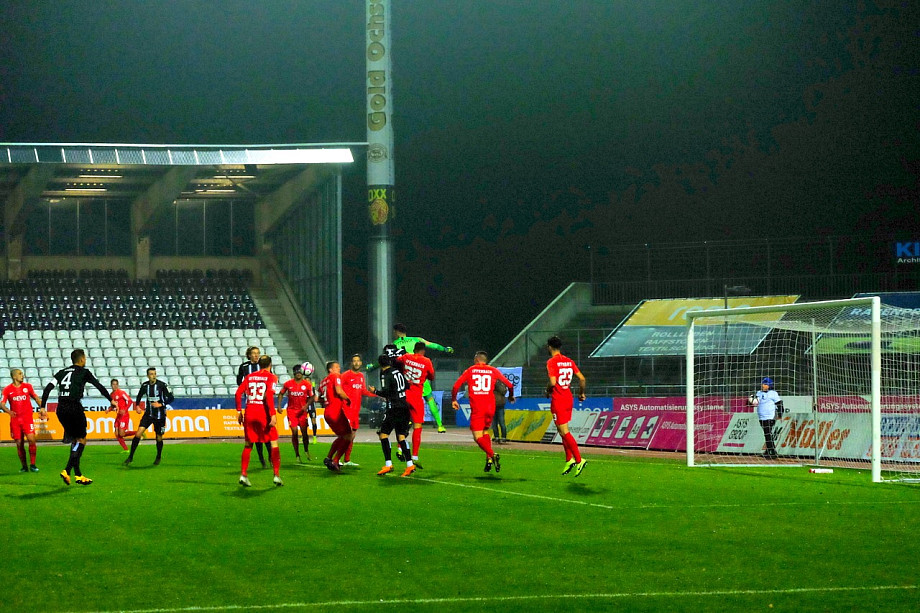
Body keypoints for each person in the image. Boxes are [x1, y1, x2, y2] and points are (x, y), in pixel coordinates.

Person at [41, 349, 117, 486]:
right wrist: (111, 400)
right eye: (85, 358)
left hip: (61, 408)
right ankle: (67, 470)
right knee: (82, 439)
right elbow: (99, 386)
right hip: (74, 407)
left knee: (75, 440)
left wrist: (42, 407)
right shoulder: (84, 372)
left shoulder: (61, 372)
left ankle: (78, 475)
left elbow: (47, 388)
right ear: (82, 359)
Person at [451, 351, 515, 473]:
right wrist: (511, 396)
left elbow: (456, 386)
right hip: (490, 407)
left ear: (476, 359)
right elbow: (510, 385)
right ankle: (489, 459)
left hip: (478, 407)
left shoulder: (470, 370)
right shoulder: (493, 370)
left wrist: (454, 399)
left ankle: (492, 454)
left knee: (477, 437)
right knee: (485, 432)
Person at [235, 355, 282, 486]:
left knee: (248, 445)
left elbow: (238, 393)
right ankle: (276, 475)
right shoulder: (272, 377)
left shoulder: (250, 377)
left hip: (249, 412)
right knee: (274, 442)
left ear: (259, 364)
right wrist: (272, 414)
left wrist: (239, 411)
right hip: (263, 413)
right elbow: (269, 395)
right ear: (270, 365)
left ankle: (243, 474)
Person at [545, 336, 588, 477]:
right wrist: (581, 393)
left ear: (549, 347)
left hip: (559, 399)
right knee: (561, 430)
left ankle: (579, 460)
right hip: (568, 398)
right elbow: (582, 378)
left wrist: (547, 390)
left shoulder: (551, 362)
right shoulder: (569, 361)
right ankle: (569, 459)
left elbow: (553, 382)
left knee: (564, 431)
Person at [372, 354, 415, 477]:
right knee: (401, 437)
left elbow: (386, 392)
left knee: (383, 435)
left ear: (380, 364)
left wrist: (375, 391)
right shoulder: (398, 372)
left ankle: (388, 464)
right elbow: (407, 385)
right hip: (404, 407)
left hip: (394, 408)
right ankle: (410, 465)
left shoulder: (386, 374)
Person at [124, 367, 174, 466]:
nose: (153, 376)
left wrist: (161, 404)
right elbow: (139, 396)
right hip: (149, 414)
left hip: (160, 416)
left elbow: (171, 398)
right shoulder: (145, 385)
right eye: (151, 374)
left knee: (159, 437)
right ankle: (130, 457)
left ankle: (158, 456)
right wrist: (137, 406)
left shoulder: (162, 385)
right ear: (148, 376)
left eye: (154, 374)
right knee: (138, 433)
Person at [397, 342, 436, 469]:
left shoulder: (406, 357)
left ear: (414, 350)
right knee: (417, 426)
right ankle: (415, 456)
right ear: (423, 351)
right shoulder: (426, 361)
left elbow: (396, 362)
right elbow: (432, 376)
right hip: (416, 397)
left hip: (404, 395)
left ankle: (400, 448)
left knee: (403, 423)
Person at [1, 368, 46, 472]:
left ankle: (33, 464)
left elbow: (36, 398)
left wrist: (43, 409)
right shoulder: (7, 389)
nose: (22, 375)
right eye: (20, 374)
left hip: (27, 419)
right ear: (14, 376)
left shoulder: (28, 387)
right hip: (15, 420)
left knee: (32, 439)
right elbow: (2, 404)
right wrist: (8, 411)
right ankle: (24, 466)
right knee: (19, 443)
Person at [340, 353, 376, 467]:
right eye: (354, 361)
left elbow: (363, 391)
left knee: (352, 436)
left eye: (358, 361)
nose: (356, 363)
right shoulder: (345, 375)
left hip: (356, 411)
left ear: (361, 363)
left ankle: (347, 460)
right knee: (346, 435)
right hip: (346, 409)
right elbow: (338, 388)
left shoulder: (361, 376)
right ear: (351, 363)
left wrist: (376, 394)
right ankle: (336, 458)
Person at [318, 361, 354, 473]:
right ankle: (336, 460)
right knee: (349, 436)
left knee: (342, 436)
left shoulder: (323, 382)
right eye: (336, 367)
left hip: (327, 412)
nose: (339, 369)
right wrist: (348, 399)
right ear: (330, 369)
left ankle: (329, 458)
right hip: (335, 411)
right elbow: (339, 391)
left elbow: (319, 398)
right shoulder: (335, 376)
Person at [277, 363, 315, 462]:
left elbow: (312, 397)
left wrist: (306, 405)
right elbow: (280, 394)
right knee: (294, 432)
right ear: (293, 373)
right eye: (296, 372)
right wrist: (279, 406)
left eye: (299, 372)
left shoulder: (307, 384)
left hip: (302, 412)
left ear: (302, 372)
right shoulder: (288, 384)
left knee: (304, 433)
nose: (298, 373)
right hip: (291, 411)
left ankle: (306, 450)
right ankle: (297, 455)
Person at [237, 346, 268, 467]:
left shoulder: (263, 366)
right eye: (254, 353)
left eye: (258, 353)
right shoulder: (244, 367)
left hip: (263, 403)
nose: (256, 355)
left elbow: (270, 379)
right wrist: (245, 389)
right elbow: (239, 380)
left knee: (266, 431)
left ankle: (270, 456)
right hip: (251, 403)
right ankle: (261, 457)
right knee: (257, 432)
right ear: (249, 355)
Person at [748, 377, 782, 459]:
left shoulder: (773, 393)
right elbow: (756, 403)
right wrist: (751, 400)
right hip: (761, 417)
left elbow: (779, 404)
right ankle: (768, 451)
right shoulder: (759, 393)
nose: (763, 385)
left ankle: (772, 452)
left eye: (765, 384)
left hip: (770, 416)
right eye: (763, 384)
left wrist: (780, 415)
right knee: (767, 434)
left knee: (768, 433)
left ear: (769, 385)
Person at [106, 378, 137, 453]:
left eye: (116, 384)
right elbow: (113, 406)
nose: (115, 386)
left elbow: (130, 401)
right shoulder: (111, 395)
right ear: (111, 385)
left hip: (124, 415)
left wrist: (125, 409)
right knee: (117, 434)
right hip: (118, 416)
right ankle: (126, 449)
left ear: (118, 385)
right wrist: (109, 410)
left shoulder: (121, 393)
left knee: (121, 434)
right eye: (113, 384)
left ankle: (138, 432)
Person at [492, 378, 509, 444]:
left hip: (500, 405)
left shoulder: (501, 384)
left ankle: (503, 437)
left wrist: (497, 384)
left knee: (502, 422)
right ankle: (496, 437)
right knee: (494, 423)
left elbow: (503, 391)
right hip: (492, 405)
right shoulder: (490, 383)